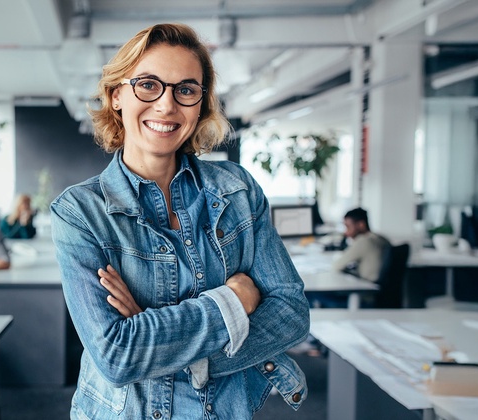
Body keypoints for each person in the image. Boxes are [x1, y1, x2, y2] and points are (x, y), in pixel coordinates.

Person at [50, 23, 310, 419]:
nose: (167, 105)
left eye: (186, 90)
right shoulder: (80, 212)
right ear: (118, 94)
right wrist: (233, 301)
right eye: (148, 85)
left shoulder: (237, 191)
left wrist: (175, 351)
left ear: (200, 104)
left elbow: (290, 312)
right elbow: (117, 356)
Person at [331, 207, 392, 281]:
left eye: (348, 227)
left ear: (361, 224)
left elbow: (336, 266)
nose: (346, 232)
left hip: (366, 286)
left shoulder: (363, 241)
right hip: (380, 286)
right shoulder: (382, 238)